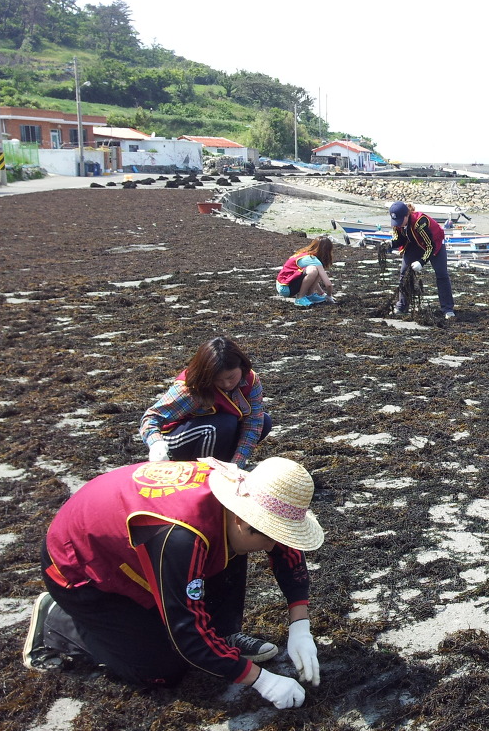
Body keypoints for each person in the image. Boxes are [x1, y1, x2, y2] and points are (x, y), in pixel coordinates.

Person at [22, 456, 325, 710]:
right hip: (81, 569)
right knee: (161, 670)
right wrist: (262, 680)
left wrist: (300, 625)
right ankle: (57, 622)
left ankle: (223, 637)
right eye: (271, 535)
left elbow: (284, 550)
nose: (276, 544)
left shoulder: (245, 497)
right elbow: (187, 635)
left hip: (142, 549)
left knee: (233, 556)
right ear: (243, 520)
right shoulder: (183, 538)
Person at [140, 337, 271, 470]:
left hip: (216, 434)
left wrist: (237, 464)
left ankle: (224, 467)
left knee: (263, 421)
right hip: (176, 440)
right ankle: (203, 472)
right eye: (218, 380)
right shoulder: (191, 389)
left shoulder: (251, 380)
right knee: (224, 423)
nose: (226, 384)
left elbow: (253, 423)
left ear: (242, 367)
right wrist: (157, 444)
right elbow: (151, 418)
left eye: (231, 377)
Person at [389, 201, 455, 319]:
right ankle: (402, 306)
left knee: (441, 275)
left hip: (435, 244)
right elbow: (400, 239)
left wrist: (421, 262)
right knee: (404, 272)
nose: (398, 225)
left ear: (407, 215)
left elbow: (431, 246)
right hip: (414, 244)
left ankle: (447, 309)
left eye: (400, 221)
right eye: (396, 222)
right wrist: (389, 244)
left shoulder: (420, 222)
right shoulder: (397, 223)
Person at [275, 235, 335, 307]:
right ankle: (300, 298)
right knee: (313, 270)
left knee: (315, 271)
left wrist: (322, 293)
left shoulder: (304, 254)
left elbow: (311, 278)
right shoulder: (314, 260)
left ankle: (310, 295)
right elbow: (328, 285)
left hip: (281, 285)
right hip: (286, 288)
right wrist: (329, 296)